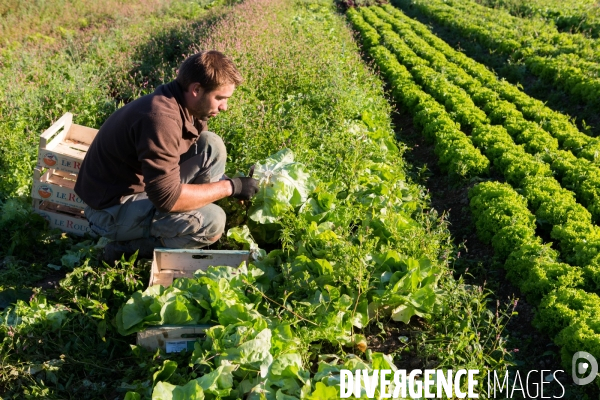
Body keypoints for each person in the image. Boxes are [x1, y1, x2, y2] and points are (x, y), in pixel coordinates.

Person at [74, 50, 259, 262]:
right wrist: (230, 187)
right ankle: (124, 250)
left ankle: (187, 217)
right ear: (196, 89)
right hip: (110, 211)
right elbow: (166, 199)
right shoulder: (160, 119)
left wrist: (227, 186)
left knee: (211, 145)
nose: (224, 107)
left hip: (141, 189)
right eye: (219, 98)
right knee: (213, 222)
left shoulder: (187, 107)